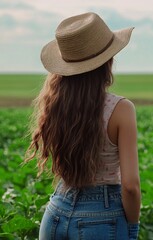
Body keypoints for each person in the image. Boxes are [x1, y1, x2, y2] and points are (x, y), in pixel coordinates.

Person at [25, 12, 141, 239]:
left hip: (55, 212)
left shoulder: (55, 105)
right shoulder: (121, 109)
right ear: (107, 61)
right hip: (103, 219)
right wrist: (132, 227)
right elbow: (130, 186)